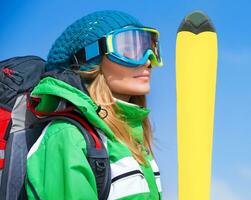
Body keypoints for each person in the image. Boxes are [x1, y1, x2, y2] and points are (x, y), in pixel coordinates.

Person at [25, 10, 163, 200]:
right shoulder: (68, 137)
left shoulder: (131, 140)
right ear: (89, 59)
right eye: (129, 49)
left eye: (151, 48)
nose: (148, 60)